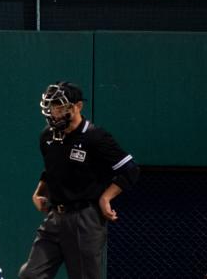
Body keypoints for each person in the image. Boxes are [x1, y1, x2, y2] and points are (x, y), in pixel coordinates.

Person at [18, 82, 139, 279]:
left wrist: (105, 198)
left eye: (61, 106)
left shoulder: (95, 137)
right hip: (55, 217)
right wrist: (40, 191)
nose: (55, 112)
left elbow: (130, 170)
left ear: (77, 107)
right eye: (52, 106)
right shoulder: (47, 136)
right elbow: (52, 168)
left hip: (85, 218)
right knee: (31, 274)